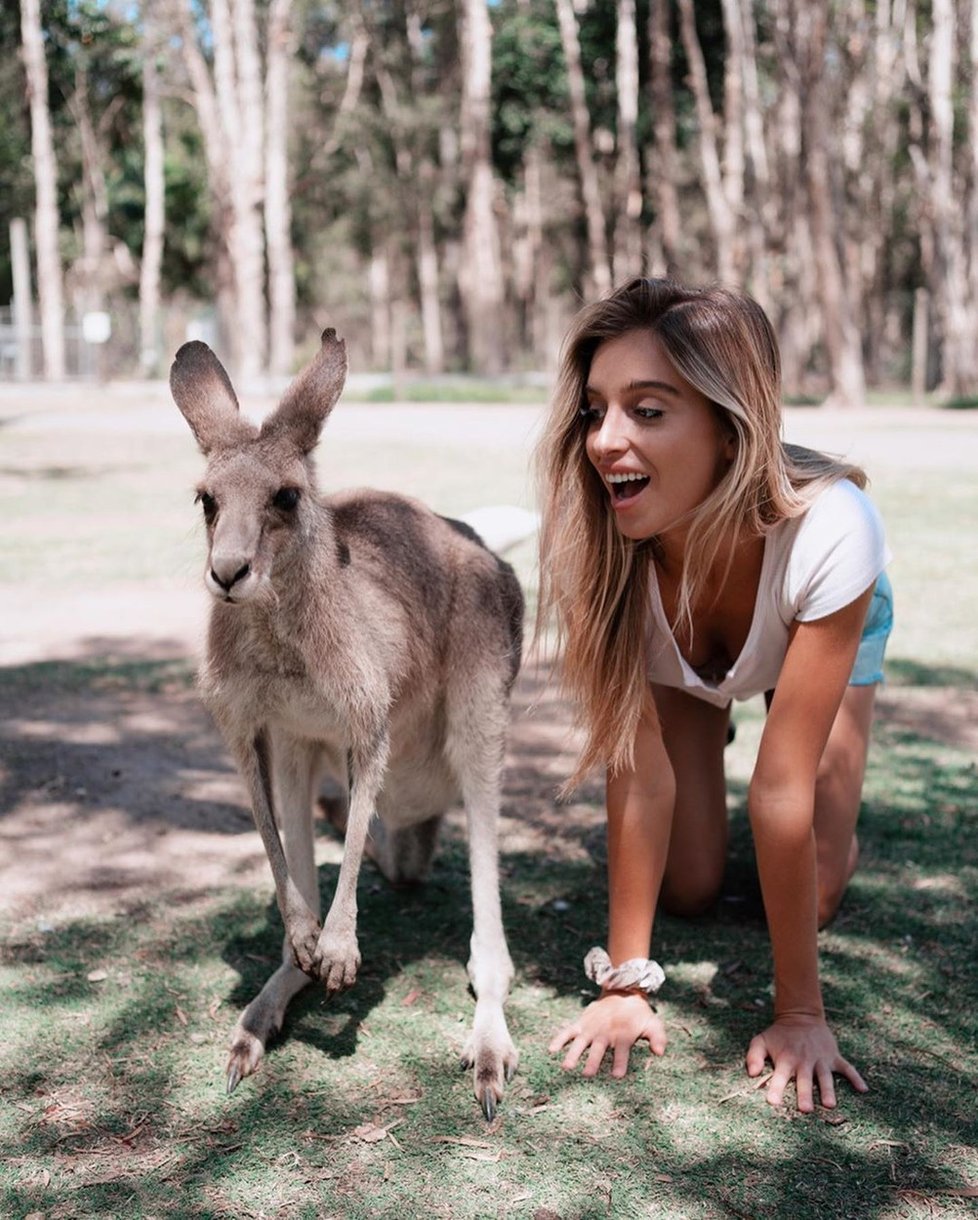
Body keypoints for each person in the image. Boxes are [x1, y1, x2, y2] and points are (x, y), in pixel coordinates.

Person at [536, 277, 892, 1112]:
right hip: (685, 659)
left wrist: (799, 1012)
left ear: (731, 432)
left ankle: (797, 782)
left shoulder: (836, 530)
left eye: (648, 411)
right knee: (691, 889)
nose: (604, 440)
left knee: (815, 889)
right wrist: (625, 984)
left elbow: (781, 786)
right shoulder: (603, 542)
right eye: (596, 409)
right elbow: (634, 768)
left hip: (824, 620)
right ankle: (711, 715)